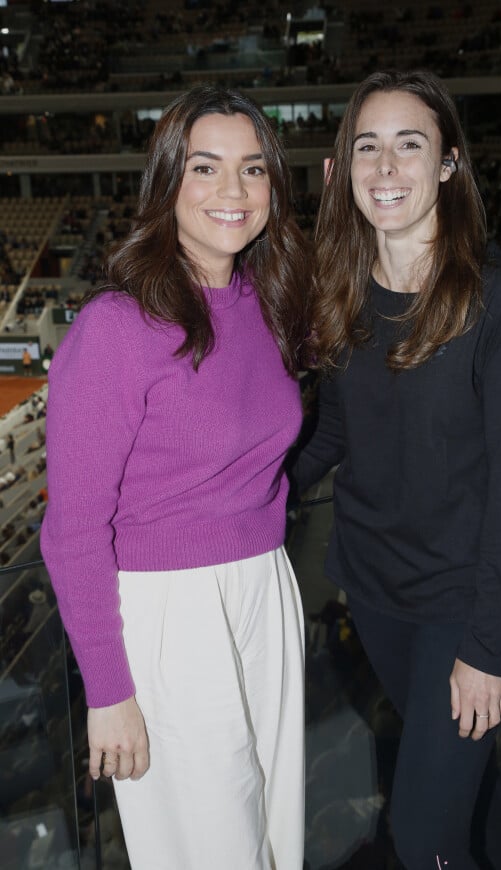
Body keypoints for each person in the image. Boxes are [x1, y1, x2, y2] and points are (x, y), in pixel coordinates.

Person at [41, 85, 311, 870]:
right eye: (206, 167)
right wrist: (108, 690)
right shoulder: (115, 328)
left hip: (266, 591)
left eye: (254, 169)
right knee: (209, 852)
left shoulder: (268, 301)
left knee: (273, 840)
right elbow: (74, 529)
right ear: (168, 182)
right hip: (168, 616)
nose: (234, 191)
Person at [292, 70, 501, 869]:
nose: (386, 166)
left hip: (462, 606)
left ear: (448, 163)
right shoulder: (339, 284)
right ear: (344, 167)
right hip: (376, 595)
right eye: (367, 146)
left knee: (426, 832)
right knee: (467, 798)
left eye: (411, 144)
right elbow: (337, 425)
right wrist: (251, 499)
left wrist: (484, 648)